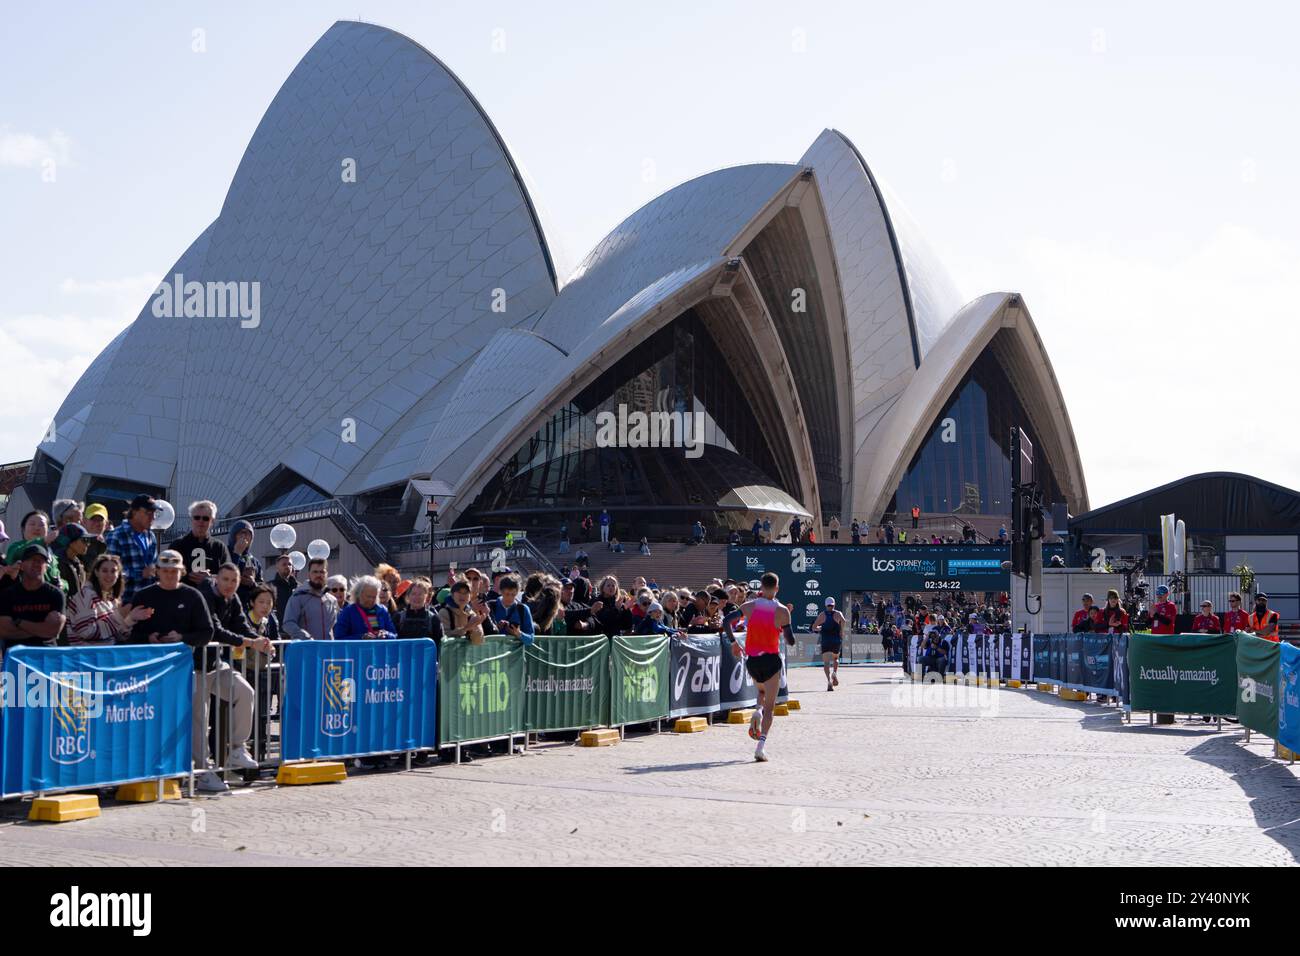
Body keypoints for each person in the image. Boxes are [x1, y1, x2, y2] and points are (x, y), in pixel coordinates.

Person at [126, 551, 261, 792]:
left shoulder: (193, 595)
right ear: (157, 571)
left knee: (245, 692)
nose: (169, 575)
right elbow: (132, 634)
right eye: (165, 570)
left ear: (182, 572)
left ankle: (237, 748)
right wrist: (149, 637)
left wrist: (183, 638)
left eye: (174, 571)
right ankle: (203, 771)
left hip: (208, 665)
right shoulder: (144, 595)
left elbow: (207, 632)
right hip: (167, 674)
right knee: (198, 720)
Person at [725, 572, 793, 762]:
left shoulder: (749, 606)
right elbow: (791, 640)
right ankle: (760, 746)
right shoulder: (781, 610)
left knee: (761, 691)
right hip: (771, 659)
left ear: (761, 587)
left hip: (753, 660)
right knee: (771, 707)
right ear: (777, 588)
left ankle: (757, 710)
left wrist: (733, 642)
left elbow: (725, 621)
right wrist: (785, 623)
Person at [66, 553, 152, 645]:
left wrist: (131, 618)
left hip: (107, 654)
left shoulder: (113, 599)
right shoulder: (86, 595)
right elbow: (86, 632)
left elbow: (118, 636)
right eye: (104, 571)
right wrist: (120, 615)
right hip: (86, 656)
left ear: (118, 574)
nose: (109, 575)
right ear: (96, 572)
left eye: (113, 571)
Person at [0, 543, 67, 651]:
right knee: (20, 669)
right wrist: (42, 628)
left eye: (40, 561)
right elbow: (4, 631)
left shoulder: (56, 594)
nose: (36, 563)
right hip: (18, 657)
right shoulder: (8, 595)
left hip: (47, 656)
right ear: (21, 565)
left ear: (46, 567)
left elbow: (53, 631)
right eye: (31, 559)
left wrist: (19, 623)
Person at [105, 494, 160, 602]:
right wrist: (140, 574)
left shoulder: (151, 536)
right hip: (125, 603)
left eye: (154, 513)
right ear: (134, 512)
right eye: (148, 513)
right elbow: (108, 574)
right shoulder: (116, 536)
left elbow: (153, 569)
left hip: (149, 602)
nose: (152, 517)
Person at [172, 500, 232, 590]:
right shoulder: (177, 545)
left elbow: (230, 576)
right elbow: (167, 574)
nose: (201, 521)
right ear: (191, 519)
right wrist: (187, 575)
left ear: (212, 521)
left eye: (205, 518)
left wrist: (210, 579)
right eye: (197, 517)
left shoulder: (219, 547)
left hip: (211, 601)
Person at [282, 558, 338, 640]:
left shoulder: (332, 600)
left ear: (327, 574)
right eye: (315, 572)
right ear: (309, 574)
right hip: (306, 649)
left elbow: (333, 628)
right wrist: (306, 637)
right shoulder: (298, 597)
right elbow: (288, 624)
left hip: (327, 650)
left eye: (322, 572)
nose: (318, 575)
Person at [488, 574, 535, 644]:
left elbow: (530, 639)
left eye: (513, 594)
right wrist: (495, 628)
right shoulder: (490, 606)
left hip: (516, 654)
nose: (510, 598)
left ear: (517, 592)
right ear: (500, 591)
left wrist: (518, 633)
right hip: (493, 652)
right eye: (507, 594)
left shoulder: (523, 609)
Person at [811, 596, 845, 691]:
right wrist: (841, 631)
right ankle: (834, 672)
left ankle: (829, 681)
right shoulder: (838, 613)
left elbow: (814, 627)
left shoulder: (822, 615)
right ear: (834, 604)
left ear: (826, 605)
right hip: (836, 640)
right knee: (836, 658)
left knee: (826, 662)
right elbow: (844, 621)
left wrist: (820, 628)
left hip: (826, 640)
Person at [81, 503, 111, 567]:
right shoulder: (77, 543)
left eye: (100, 519)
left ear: (106, 524)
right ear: (84, 521)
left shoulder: (110, 545)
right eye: (93, 519)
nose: (97, 523)